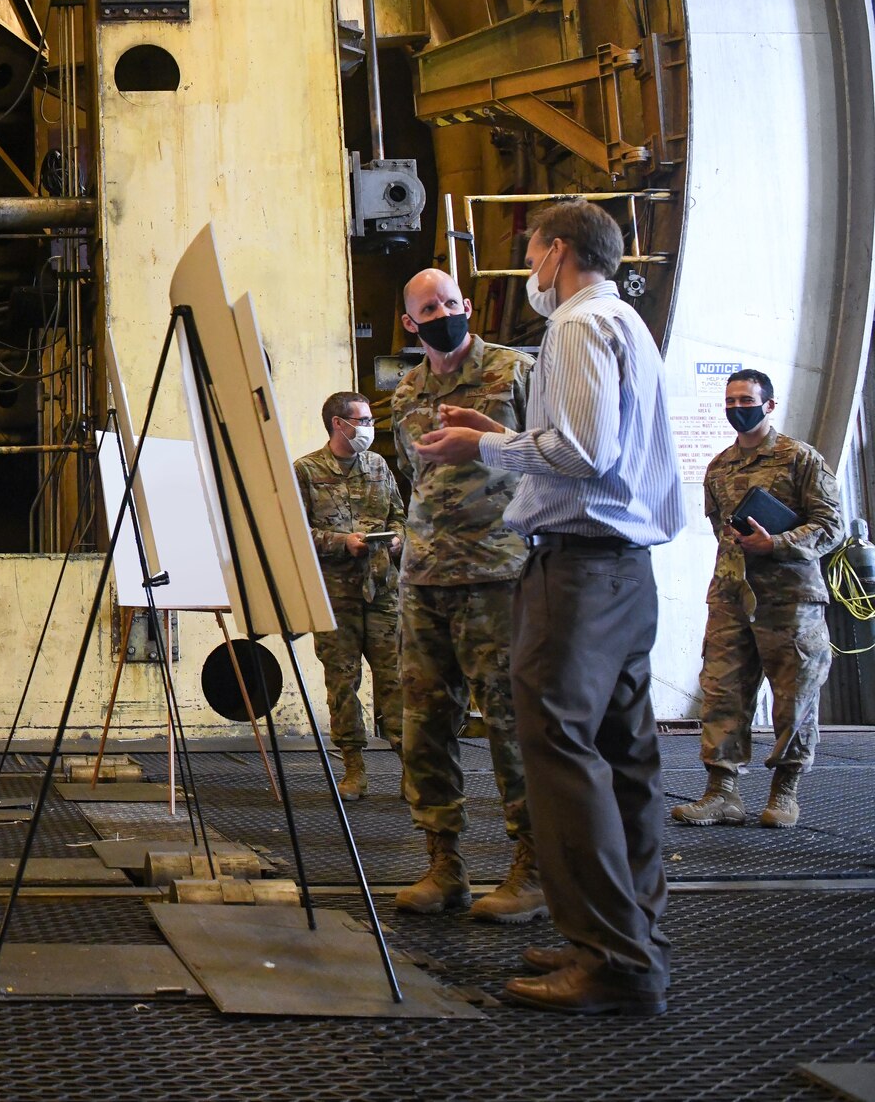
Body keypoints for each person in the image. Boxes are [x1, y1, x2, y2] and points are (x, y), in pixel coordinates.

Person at [415, 197, 686, 1016]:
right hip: (624, 574)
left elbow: (580, 452)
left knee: (559, 753)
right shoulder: (626, 323)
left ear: (558, 251)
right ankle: (629, 935)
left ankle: (612, 959)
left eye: (532, 255)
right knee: (623, 755)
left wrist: (482, 443)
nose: (529, 271)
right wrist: (493, 429)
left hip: (578, 575)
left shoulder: (574, 327)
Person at [388, 268, 543, 923]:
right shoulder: (406, 394)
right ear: (410, 323)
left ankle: (532, 870)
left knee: (511, 726)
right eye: (430, 306)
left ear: (468, 306)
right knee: (423, 727)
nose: (444, 312)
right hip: (425, 579)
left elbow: (552, 456)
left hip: (498, 576)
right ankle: (444, 866)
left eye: (451, 302)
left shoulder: (514, 372)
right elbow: (415, 476)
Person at [673, 368, 843, 829]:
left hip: (790, 601)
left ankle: (784, 791)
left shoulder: (799, 458)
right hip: (731, 598)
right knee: (722, 693)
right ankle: (722, 793)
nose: (736, 408)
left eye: (746, 400)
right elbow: (720, 532)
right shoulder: (719, 467)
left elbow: (832, 526)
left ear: (768, 405)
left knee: (795, 699)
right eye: (730, 401)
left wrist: (778, 544)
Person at [293, 391, 405, 801]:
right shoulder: (305, 471)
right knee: (342, 682)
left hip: (382, 591)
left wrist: (397, 541)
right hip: (335, 595)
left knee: (395, 679)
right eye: (362, 420)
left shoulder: (378, 466)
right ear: (338, 423)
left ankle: (409, 767)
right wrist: (343, 542)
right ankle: (354, 769)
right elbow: (295, 533)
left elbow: (399, 517)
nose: (369, 428)